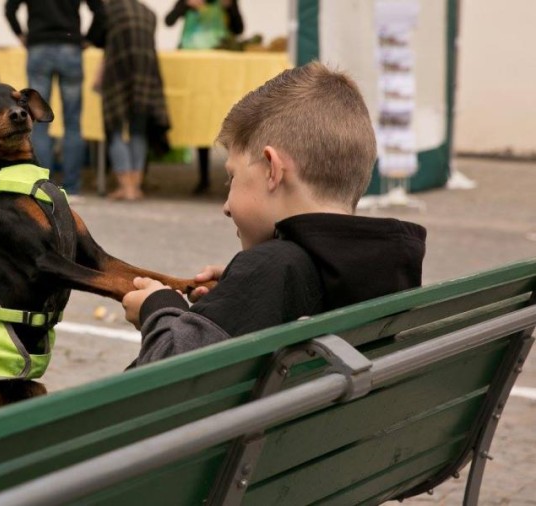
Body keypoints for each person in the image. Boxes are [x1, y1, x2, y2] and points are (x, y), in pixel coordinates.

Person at [121, 61, 427, 366]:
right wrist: (236, 292)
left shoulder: (272, 267)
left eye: (232, 177)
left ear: (272, 169)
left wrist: (158, 308)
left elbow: (166, 380)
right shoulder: (385, 266)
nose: (226, 206)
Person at [4, 0, 106, 202]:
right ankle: (72, 188)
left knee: (38, 122)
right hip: (70, 46)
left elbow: (9, 9)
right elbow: (100, 11)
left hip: (39, 46)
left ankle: (42, 186)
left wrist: (21, 35)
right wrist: (87, 39)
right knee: (73, 122)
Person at [165, 0, 244, 195]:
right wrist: (185, 5)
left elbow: (239, 28)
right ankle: (204, 177)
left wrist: (231, 8)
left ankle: (234, 175)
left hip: (219, 70)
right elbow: (168, 20)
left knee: (226, 119)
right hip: (192, 69)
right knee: (198, 118)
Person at [99, 0, 169, 201]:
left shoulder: (109, 11)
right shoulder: (149, 13)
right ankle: (136, 187)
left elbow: (97, 38)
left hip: (118, 73)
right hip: (146, 74)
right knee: (138, 129)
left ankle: (125, 186)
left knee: (116, 129)